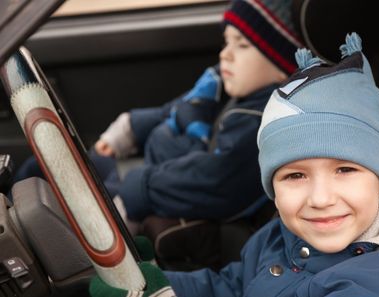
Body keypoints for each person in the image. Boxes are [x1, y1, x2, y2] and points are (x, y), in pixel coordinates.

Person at [89, 33, 379, 297]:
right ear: (272, 185)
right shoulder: (288, 235)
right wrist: (151, 287)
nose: (320, 198)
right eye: (295, 176)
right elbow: (233, 294)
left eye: (345, 170)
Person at [14, 0, 304, 226]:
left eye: (242, 45)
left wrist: (139, 190)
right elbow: (179, 108)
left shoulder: (259, 126)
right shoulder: (223, 84)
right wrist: (131, 128)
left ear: (281, 65)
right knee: (48, 163)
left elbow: (214, 181)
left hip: (160, 193)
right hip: (152, 168)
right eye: (227, 41)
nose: (225, 54)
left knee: (69, 208)